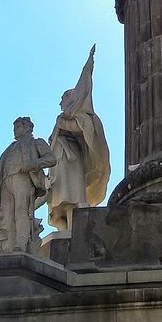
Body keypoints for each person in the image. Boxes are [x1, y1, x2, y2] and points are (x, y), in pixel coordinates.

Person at [47, 46, 111, 231]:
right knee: (57, 204)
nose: (60, 102)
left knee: (72, 197)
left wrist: (64, 124)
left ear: (70, 99)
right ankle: (64, 231)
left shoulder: (77, 118)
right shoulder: (60, 119)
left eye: (63, 98)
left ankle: (76, 230)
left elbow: (85, 129)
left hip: (71, 160)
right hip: (57, 163)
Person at [0, 116, 56, 254]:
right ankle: (9, 248)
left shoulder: (36, 142)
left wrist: (33, 164)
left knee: (21, 212)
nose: (14, 130)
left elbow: (51, 159)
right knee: (7, 217)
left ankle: (21, 244)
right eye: (14, 127)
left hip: (23, 179)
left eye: (18, 127)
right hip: (5, 183)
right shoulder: (9, 149)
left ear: (27, 128)